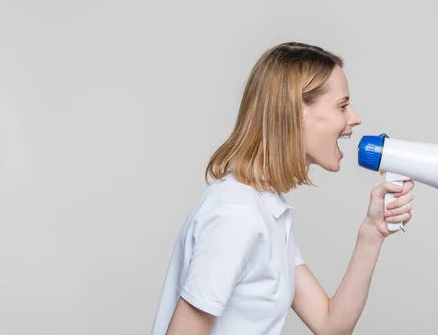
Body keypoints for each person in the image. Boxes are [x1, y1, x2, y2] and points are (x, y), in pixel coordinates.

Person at [151, 42, 414, 335]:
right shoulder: (237, 214)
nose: (355, 117)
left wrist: (372, 233)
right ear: (297, 112)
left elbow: (331, 325)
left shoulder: (267, 208)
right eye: (342, 106)